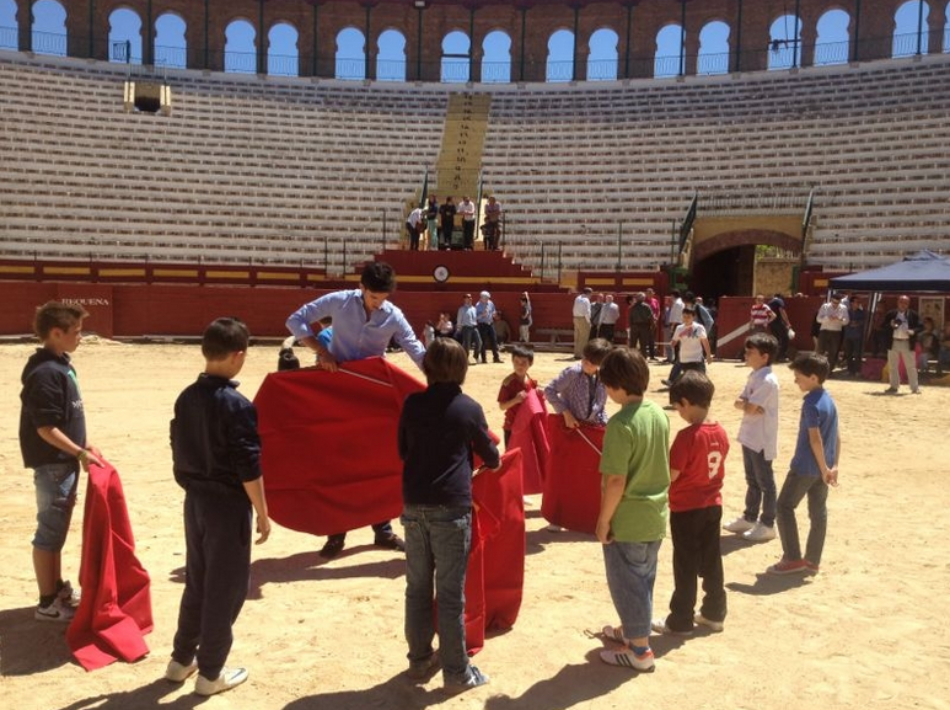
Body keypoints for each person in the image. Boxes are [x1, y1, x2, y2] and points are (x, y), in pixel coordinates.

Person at [286, 262, 423, 557]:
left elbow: (414, 348)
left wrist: (441, 377)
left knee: (378, 461)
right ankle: (338, 531)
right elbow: (295, 320)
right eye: (374, 297)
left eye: (383, 298)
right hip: (339, 389)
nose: (378, 304)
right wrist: (322, 351)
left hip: (375, 395)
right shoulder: (339, 301)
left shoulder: (393, 315)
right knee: (340, 462)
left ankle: (382, 529)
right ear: (361, 288)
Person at [166, 317, 270, 696]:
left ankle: (180, 660)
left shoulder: (186, 397)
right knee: (224, 588)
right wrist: (261, 510)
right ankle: (210, 671)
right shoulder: (237, 405)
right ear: (238, 356)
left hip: (194, 501)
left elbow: (177, 448)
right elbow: (248, 465)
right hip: (226, 506)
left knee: (198, 581)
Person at [398, 337, 499, 693]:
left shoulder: (412, 404)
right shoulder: (468, 408)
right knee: (451, 595)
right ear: (462, 370)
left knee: (417, 588)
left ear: (427, 368)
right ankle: (457, 672)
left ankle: (419, 659)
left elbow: (403, 450)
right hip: (451, 509)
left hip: (413, 505)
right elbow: (492, 457)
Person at [20, 301, 102, 623]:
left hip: (62, 461)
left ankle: (55, 589)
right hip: (54, 464)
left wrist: (83, 444)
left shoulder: (60, 364)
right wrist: (79, 452)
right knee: (50, 533)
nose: (81, 337)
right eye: (76, 332)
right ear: (56, 333)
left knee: (57, 531)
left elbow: (67, 417)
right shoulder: (45, 374)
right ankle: (46, 603)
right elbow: (45, 428)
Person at [596, 348, 670, 673]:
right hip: (655, 516)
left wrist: (603, 520)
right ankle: (632, 629)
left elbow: (615, 481)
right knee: (643, 580)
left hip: (628, 520)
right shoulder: (658, 413)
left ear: (616, 386)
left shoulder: (620, 424)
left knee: (627, 583)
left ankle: (639, 649)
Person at [653, 371, 729, 636]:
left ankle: (681, 619)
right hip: (712, 504)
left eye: (678, 408)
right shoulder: (720, 431)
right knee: (711, 559)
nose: (679, 413)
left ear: (685, 402)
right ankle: (714, 612)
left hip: (687, 508)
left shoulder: (687, 437)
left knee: (685, 563)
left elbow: (671, 476)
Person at [767, 353, 839, 576]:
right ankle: (812, 560)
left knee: (784, 507)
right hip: (822, 468)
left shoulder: (810, 403)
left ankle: (793, 558)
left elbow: (814, 438)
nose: (796, 380)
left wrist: (824, 467)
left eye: (799, 376)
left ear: (814, 378)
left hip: (806, 467)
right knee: (818, 513)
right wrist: (832, 466)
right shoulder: (829, 401)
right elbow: (836, 436)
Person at [723, 333, 780, 543]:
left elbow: (749, 405)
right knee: (752, 480)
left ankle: (767, 523)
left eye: (750, 352)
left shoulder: (767, 380)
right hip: (749, 434)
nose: (746, 355)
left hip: (761, 438)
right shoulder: (755, 376)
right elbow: (741, 403)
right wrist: (746, 406)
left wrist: (746, 405)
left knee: (765, 482)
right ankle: (749, 517)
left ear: (764, 356)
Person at [544, 338, 611, 430]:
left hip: (591, 427)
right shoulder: (573, 372)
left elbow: (600, 407)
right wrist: (566, 413)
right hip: (569, 426)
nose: (585, 363)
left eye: (592, 363)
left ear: (600, 365)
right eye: (585, 358)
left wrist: (605, 423)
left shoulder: (603, 379)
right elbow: (549, 390)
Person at [497, 345, 537, 448]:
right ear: (512, 362)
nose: (520, 366)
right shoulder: (508, 383)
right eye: (516, 362)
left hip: (527, 426)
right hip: (511, 426)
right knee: (512, 456)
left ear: (530, 363)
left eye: (523, 363)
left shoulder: (531, 381)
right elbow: (502, 406)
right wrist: (516, 400)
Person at [662, 307, 711, 387]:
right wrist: (672, 343)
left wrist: (708, 355)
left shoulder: (699, 328)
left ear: (693, 317)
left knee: (702, 381)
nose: (686, 319)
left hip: (697, 358)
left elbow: (705, 341)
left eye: (688, 317)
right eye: (684, 316)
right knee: (689, 381)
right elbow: (674, 341)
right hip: (684, 359)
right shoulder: (679, 328)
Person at [882, 295, 921, 394]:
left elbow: (920, 326)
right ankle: (894, 386)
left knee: (911, 366)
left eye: (905, 303)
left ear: (908, 304)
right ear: (897, 302)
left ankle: (914, 388)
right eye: (901, 302)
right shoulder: (891, 314)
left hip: (907, 342)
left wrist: (913, 331)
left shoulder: (913, 314)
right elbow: (883, 326)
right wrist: (890, 325)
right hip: (893, 341)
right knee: (893, 366)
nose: (903, 305)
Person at [816, 293, 849, 370]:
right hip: (824, 331)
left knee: (833, 352)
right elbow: (818, 319)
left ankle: (829, 371)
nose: (835, 304)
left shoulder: (843, 308)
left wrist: (840, 320)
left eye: (837, 303)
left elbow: (846, 321)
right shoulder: (825, 306)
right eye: (834, 302)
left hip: (836, 332)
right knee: (820, 350)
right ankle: (817, 369)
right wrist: (827, 318)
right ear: (831, 300)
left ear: (840, 302)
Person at [842, 295, 867, 377]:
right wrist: (849, 323)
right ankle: (850, 370)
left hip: (857, 336)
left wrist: (857, 323)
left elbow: (863, 321)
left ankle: (857, 371)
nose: (857, 304)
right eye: (856, 302)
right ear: (851, 303)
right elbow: (843, 320)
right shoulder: (847, 312)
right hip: (848, 335)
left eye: (858, 302)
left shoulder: (861, 312)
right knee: (848, 353)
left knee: (857, 354)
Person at [475, 291, 501, 364]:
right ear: (481, 297)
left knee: (494, 340)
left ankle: (496, 358)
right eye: (486, 298)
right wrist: (482, 315)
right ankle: (484, 359)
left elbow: (493, 310)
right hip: (482, 324)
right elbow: (476, 317)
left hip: (490, 323)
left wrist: (494, 314)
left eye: (488, 298)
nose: (487, 299)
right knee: (483, 342)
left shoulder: (490, 303)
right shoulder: (478, 305)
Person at [768, 293, 792, 361]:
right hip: (778, 322)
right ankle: (782, 356)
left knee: (776, 339)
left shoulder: (769, 302)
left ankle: (774, 356)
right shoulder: (779, 300)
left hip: (771, 323)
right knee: (785, 338)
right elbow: (782, 311)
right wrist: (787, 322)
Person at [456, 294, 479, 362]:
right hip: (466, 328)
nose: (469, 299)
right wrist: (458, 329)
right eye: (468, 297)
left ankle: (476, 357)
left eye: (470, 297)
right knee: (467, 344)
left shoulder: (474, 309)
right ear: (464, 299)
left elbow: (475, 319)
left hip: (474, 327)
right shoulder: (461, 309)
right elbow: (459, 319)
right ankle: (465, 359)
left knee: (479, 342)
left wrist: (482, 315)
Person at [572, 287, 593, 359]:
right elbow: (587, 312)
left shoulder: (577, 298)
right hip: (583, 319)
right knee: (584, 337)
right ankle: (581, 354)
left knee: (577, 337)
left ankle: (576, 353)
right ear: (589, 293)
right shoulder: (586, 300)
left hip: (575, 318)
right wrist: (588, 321)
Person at [644, 288, 660, 360]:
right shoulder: (644, 301)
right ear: (646, 294)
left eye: (651, 293)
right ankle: (644, 355)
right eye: (648, 293)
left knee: (652, 339)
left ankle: (652, 356)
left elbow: (658, 311)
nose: (650, 294)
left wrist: (656, 318)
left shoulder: (655, 301)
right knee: (644, 339)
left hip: (653, 322)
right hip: (645, 323)